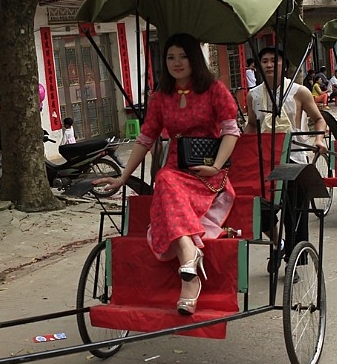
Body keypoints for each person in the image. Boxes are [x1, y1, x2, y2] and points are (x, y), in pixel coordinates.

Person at [94, 33, 240, 317]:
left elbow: (230, 130)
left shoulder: (214, 89)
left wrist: (216, 166)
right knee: (164, 178)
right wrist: (123, 177)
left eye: (183, 56)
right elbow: (145, 139)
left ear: (194, 59)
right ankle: (189, 258)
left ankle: (189, 268)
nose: (177, 62)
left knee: (164, 181)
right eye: (170, 57)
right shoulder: (160, 98)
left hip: (206, 171)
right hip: (174, 169)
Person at [245, 46, 328, 271]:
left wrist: (319, 139)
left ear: (284, 65)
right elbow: (252, 125)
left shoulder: (299, 92)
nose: (269, 64)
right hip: (265, 161)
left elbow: (319, 119)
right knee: (259, 209)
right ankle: (278, 243)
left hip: (294, 159)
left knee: (294, 213)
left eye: (274, 60)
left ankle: (292, 261)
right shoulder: (253, 95)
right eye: (264, 61)